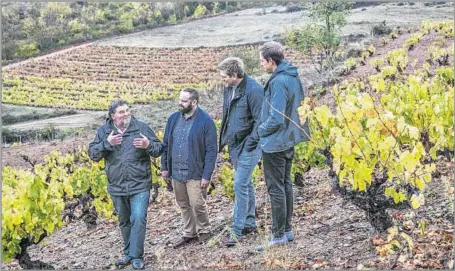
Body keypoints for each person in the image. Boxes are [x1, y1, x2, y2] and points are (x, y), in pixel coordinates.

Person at [88, 99, 163, 269]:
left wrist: (148, 144)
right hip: (117, 186)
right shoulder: (104, 131)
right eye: (121, 112)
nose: (126, 114)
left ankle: (136, 256)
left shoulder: (141, 127)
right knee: (124, 220)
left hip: (140, 184)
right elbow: (93, 154)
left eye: (127, 110)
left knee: (138, 218)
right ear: (113, 116)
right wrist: (107, 144)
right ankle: (128, 253)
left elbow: (159, 149)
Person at [256, 41, 311, 250]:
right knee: (286, 184)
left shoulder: (279, 81)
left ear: (271, 60)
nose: (261, 64)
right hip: (288, 139)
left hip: (275, 142)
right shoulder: (292, 76)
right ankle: (286, 231)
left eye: (262, 61)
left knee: (276, 188)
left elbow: (277, 117)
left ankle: (278, 234)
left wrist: (260, 131)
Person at [161, 87, 217, 249]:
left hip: (195, 172)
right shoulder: (173, 119)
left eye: (184, 101)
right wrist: (165, 168)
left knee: (198, 203)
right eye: (180, 100)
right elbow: (165, 144)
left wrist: (207, 175)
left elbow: (211, 151)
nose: (180, 103)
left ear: (194, 102)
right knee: (183, 204)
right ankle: (189, 232)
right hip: (176, 171)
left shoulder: (206, 122)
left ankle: (205, 231)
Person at [217, 57, 264, 246]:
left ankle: (236, 230)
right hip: (235, 145)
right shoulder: (229, 89)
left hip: (249, 145)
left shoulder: (254, 91)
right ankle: (250, 221)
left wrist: (251, 143)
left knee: (239, 184)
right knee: (245, 183)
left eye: (224, 77)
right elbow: (227, 115)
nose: (222, 80)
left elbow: (261, 121)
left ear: (235, 75)